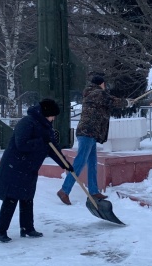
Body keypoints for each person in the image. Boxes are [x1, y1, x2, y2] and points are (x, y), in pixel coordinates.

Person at [0, 98, 73, 242]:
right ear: (46, 113)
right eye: (52, 115)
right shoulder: (27, 122)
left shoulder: (46, 127)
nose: (53, 119)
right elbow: (21, 144)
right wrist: (41, 141)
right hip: (15, 166)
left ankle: (27, 228)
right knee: (11, 199)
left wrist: (65, 164)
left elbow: (53, 150)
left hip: (29, 167)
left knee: (27, 198)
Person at [57, 76, 133, 205]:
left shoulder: (90, 93)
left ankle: (93, 191)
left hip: (89, 133)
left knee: (92, 163)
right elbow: (112, 101)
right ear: (102, 84)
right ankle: (64, 190)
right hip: (88, 132)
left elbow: (106, 104)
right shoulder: (98, 93)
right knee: (80, 162)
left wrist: (125, 102)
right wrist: (127, 102)